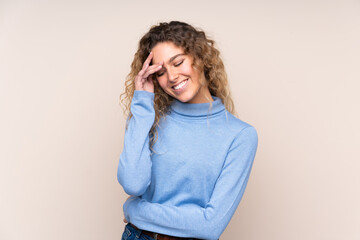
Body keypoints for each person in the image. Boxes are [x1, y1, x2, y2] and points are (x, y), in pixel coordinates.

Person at [117, 21, 258, 240]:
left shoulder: (240, 136)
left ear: (200, 58)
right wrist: (142, 105)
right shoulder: (149, 117)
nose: (172, 77)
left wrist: (135, 210)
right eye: (161, 72)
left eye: (178, 62)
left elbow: (210, 226)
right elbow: (133, 184)